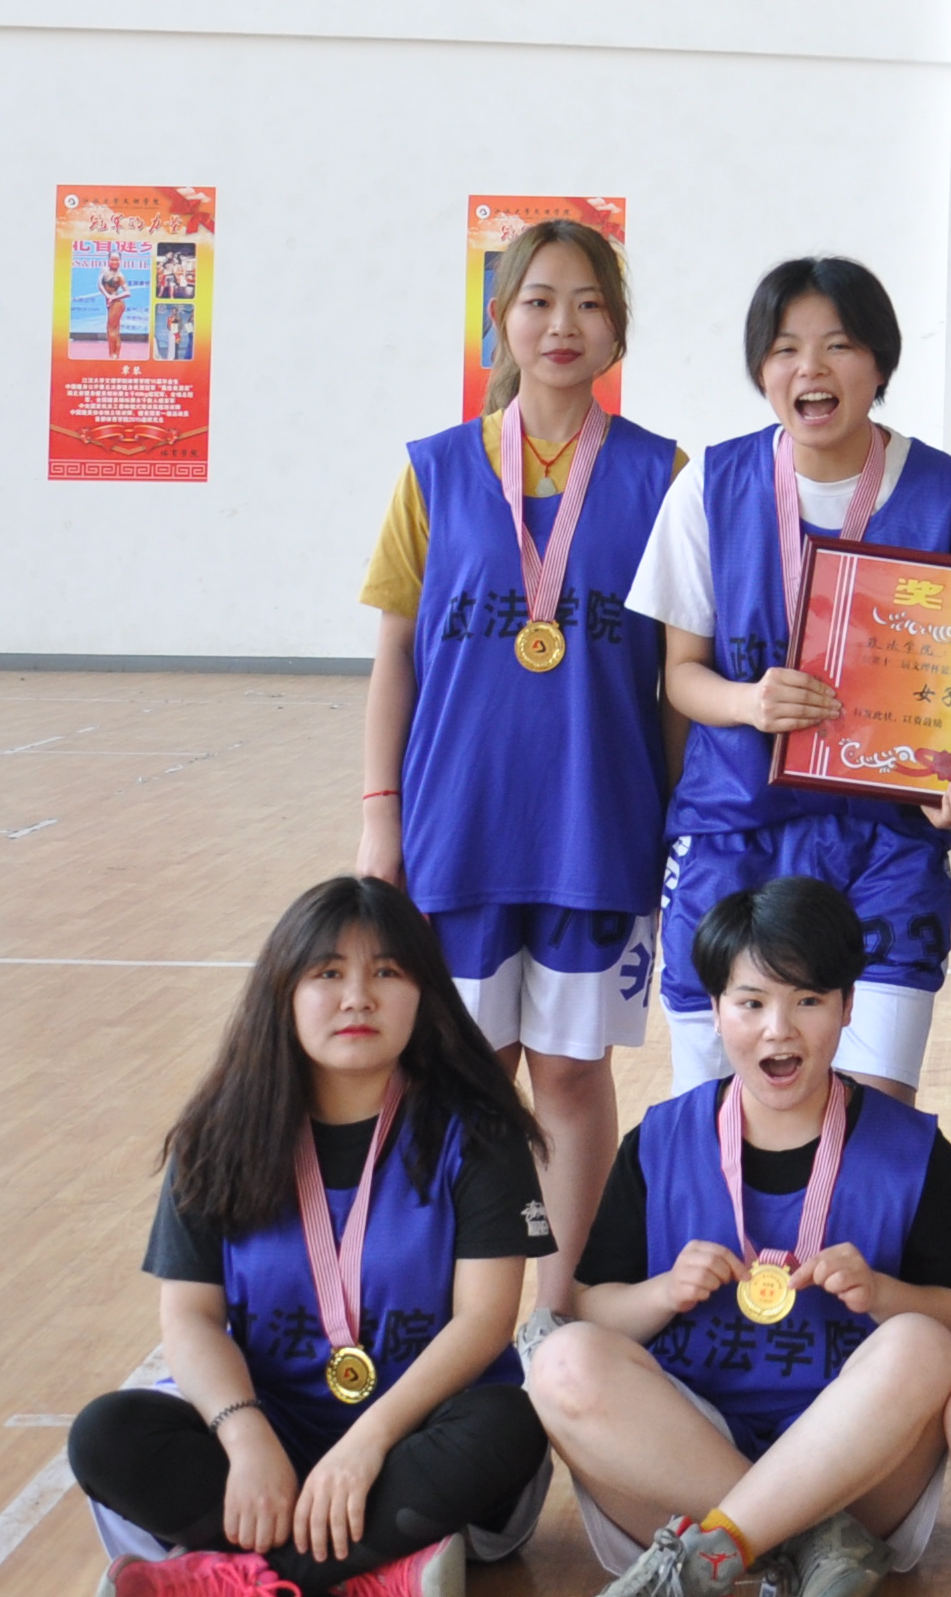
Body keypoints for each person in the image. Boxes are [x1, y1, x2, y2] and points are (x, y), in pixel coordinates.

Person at [359, 216, 680, 1308]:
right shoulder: (435, 471)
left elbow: (680, 669)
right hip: (459, 831)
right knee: (463, 1080)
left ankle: (557, 1307)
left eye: (588, 303)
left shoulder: (662, 474)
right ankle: (459, 1305)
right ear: (500, 319)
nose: (562, 324)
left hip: (599, 828)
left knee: (575, 1077)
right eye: (539, 300)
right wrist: (379, 815)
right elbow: (395, 656)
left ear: (617, 328)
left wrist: (674, 820)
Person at [71, 877, 556, 1597]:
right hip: (274, 1438)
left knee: (508, 1423)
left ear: (423, 994)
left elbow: (485, 1322)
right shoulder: (218, 1135)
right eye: (328, 973)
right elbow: (190, 1317)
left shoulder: (477, 1132)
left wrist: (367, 1442)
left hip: (416, 1437)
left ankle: (241, 1575)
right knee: (106, 1433)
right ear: (284, 992)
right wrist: (245, 1437)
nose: (358, 997)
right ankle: (378, 1569)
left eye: (386, 972)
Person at [534, 878, 951, 1597]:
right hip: (688, 1453)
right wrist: (663, 1293)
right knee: (559, 1361)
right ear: (715, 1011)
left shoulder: (916, 1152)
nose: (779, 1029)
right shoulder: (659, 1142)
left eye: (808, 1001)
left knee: (919, 1345)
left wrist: (881, 1292)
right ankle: (804, 1545)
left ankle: (731, 1547)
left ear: (848, 1006)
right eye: (751, 1003)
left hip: (857, 1468)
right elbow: (592, 1309)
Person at [637, 256, 951, 1098]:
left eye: (838, 345)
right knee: (715, 1108)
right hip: (732, 829)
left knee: (875, 1108)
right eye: (786, 348)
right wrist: (746, 700)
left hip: (886, 840)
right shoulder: (709, 486)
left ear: (880, 362)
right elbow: (681, 677)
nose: (811, 368)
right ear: (761, 368)